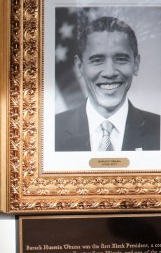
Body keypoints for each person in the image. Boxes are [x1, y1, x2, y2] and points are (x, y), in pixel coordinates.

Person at [55, 15, 160, 151]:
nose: (109, 73)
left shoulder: (158, 129)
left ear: (136, 64)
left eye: (121, 59)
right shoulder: (51, 130)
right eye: (97, 60)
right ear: (80, 66)